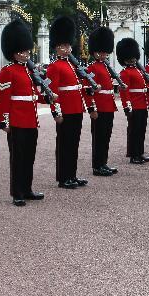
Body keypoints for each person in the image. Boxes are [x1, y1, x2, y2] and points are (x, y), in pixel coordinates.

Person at [0, 18, 56, 206]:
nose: (26, 54)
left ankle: (27, 188)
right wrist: (3, 121)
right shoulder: (7, 72)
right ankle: (17, 192)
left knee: (29, 156)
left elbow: (33, 95)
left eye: (27, 51)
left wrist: (48, 98)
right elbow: (2, 99)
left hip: (31, 119)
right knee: (18, 157)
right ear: (14, 52)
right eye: (22, 51)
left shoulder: (30, 72)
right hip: (16, 120)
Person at [45, 16, 93, 189]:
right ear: (57, 47)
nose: (66, 49)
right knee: (64, 145)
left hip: (76, 109)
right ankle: (63, 177)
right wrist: (56, 112)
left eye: (67, 46)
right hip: (64, 110)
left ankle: (72, 175)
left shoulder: (72, 66)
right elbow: (52, 92)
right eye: (63, 46)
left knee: (73, 144)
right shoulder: (54, 67)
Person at [86, 26, 120, 176]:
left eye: (105, 51)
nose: (104, 54)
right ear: (95, 52)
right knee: (98, 138)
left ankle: (103, 162)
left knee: (106, 136)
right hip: (99, 106)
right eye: (101, 51)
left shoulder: (106, 67)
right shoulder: (92, 68)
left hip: (108, 105)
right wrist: (92, 108)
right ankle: (97, 166)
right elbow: (87, 90)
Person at [116, 38, 149, 165]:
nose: (133, 59)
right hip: (134, 105)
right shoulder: (125, 73)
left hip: (142, 104)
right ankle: (133, 154)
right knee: (134, 131)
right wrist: (127, 106)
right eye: (130, 57)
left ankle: (139, 152)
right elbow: (124, 92)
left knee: (141, 130)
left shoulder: (139, 71)